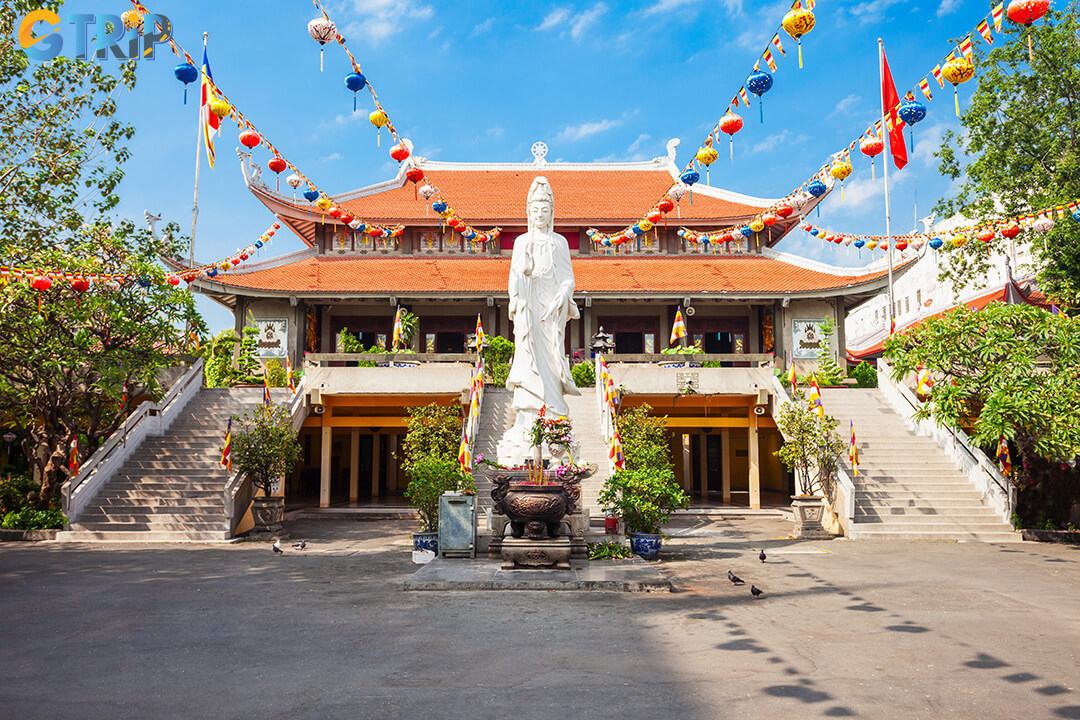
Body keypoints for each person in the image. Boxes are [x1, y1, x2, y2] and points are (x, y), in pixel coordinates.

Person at [497, 177, 580, 465]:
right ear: (529, 211)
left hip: (551, 312)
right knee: (528, 357)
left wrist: (563, 293)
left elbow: (568, 277)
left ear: (552, 212)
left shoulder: (560, 242)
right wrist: (524, 271)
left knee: (552, 362)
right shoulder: (521, 242)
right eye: (536, 209)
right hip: (529, 310)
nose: (540, 214)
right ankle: (526, 422)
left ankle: (553, 419)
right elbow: (513, 280)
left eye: (545, 209)